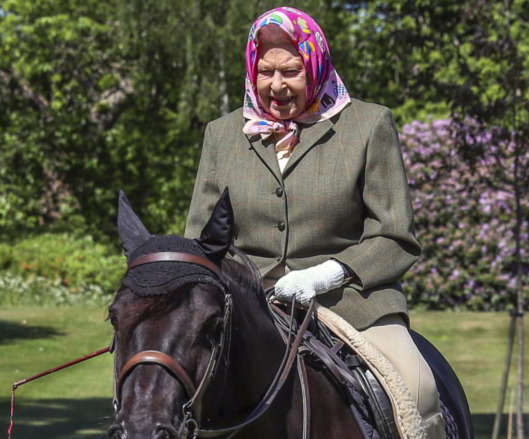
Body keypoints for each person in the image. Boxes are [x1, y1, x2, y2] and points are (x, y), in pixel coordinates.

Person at [184, 7, 445, 437]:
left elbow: (396, 236)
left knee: (418, 389)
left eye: (291, 71)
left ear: (316, 64)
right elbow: (202, 238)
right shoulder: (222, 133)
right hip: (248, 308)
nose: (277, 85)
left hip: (352, 302)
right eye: (265, 72)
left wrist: (328, 274)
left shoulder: (368, 124)